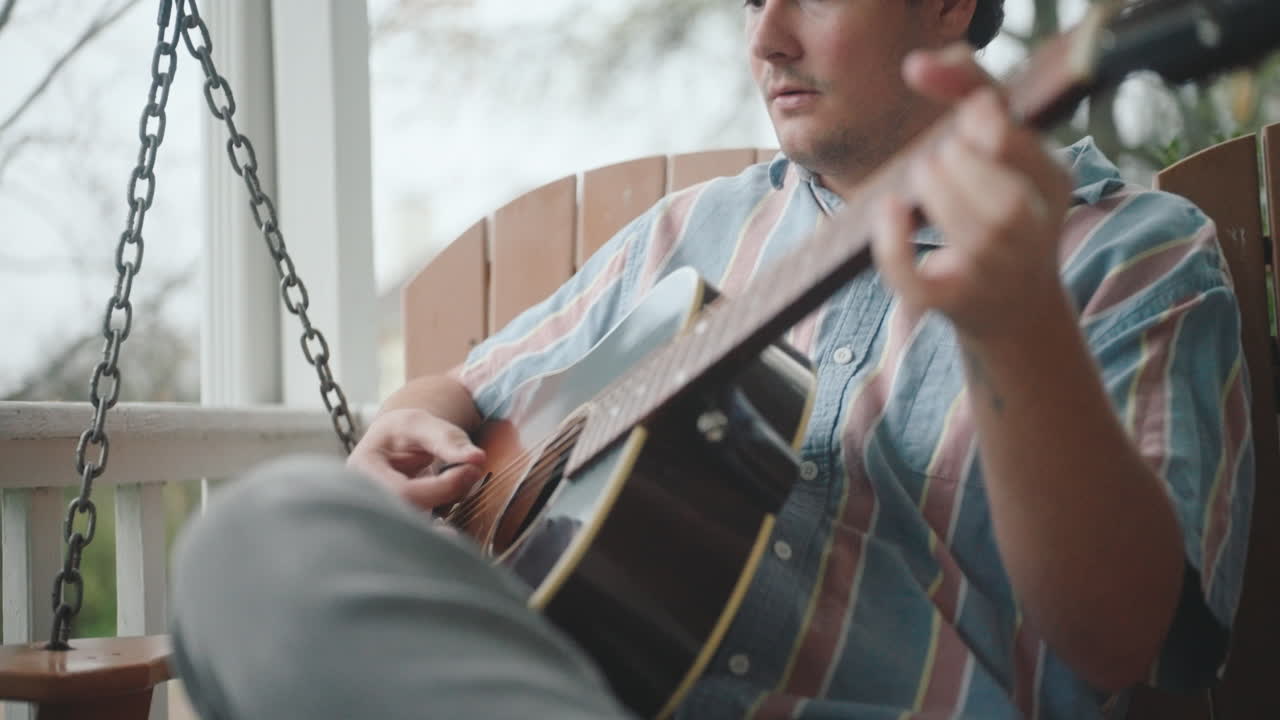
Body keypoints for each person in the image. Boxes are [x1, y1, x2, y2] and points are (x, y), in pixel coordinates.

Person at [169, 1, 1254, 718]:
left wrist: (1017, 324)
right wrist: (403, 424)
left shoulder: (1130, 256)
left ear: (945, 2)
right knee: (254, 536)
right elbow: (462, 387)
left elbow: (1122, 642)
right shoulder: (682, 236)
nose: (766, 37)